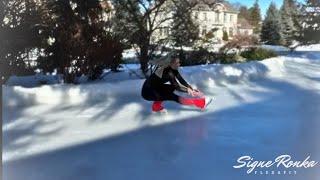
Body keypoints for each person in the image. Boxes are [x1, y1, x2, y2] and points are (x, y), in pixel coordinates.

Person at [141, 56, 206, 112]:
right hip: (148, 92)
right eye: (177, 63)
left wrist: (190, 88)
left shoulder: (173, 70)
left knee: (170, 88)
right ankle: (200, 103)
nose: (179, 64)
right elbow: (176, 86)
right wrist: (187, 90)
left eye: (179, 62)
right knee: (173, 96)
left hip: (155, 87)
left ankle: (156, 107)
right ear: (171, 64)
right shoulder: (168, 72)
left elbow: (181, 81)